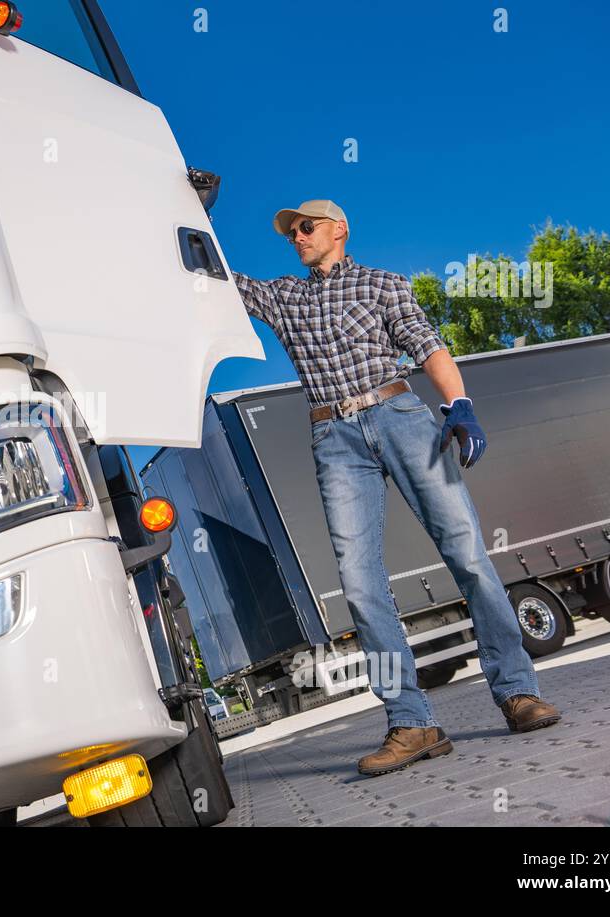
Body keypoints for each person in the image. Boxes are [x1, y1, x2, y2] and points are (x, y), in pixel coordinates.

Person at [232, 199, 561, 777]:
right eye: (291, 233)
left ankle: (517, 692)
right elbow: (220, 280)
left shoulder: (385, 284)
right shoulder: (286, 296)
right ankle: (412, 723)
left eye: (305, 227)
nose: (297, 237)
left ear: (339, 229)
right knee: (359, 584)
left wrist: (460, 404)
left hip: (401, 416)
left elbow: (427, 344)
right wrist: (189, 206)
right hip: (333, 436)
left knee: (468, 555)